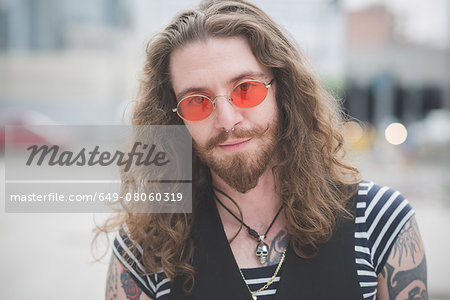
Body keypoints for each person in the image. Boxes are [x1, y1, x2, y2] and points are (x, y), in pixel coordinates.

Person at [101, 1, 427, 299]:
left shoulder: (379, 222)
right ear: (174, 119)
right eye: (197, 101)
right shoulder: (144, 250)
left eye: (245, 89)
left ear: (282, 92)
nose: (226, 120)